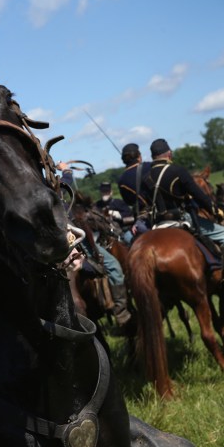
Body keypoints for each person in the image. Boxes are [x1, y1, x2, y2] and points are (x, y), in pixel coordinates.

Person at [56, 161, 132, 326]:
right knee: (114, 267)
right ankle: (121, 312)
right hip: (73, 245)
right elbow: (66, 182)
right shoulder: (49, 189)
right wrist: (66, 169)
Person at [145, 138, 224, 248]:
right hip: (181, 218)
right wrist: (215, 210)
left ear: (153, 157)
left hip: (158, 222)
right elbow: (198, 194)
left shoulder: (146, 177)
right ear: (169, 154)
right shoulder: (177, 170)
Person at [117, 143, 152, 236]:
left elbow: (128, 202)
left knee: (128, 239)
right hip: (162, 213)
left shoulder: (122, 180)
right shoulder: (150, 166)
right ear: (139, 156)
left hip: (143, 220)